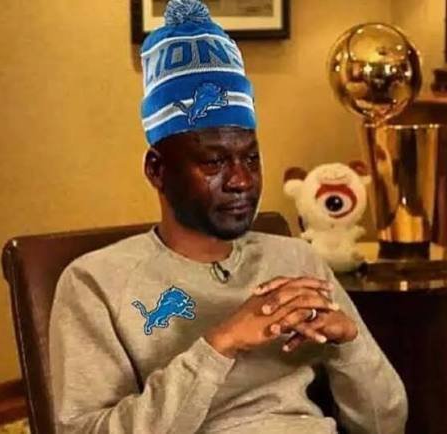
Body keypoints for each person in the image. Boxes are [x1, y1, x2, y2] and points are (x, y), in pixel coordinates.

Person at [49, 1, 408, 433]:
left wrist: (349, 345)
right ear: (157, 170)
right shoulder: (94, 283)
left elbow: (385, 424)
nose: (241, 180)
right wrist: (221, 344)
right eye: (214, 162)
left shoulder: (297, 261)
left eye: (251, 159)